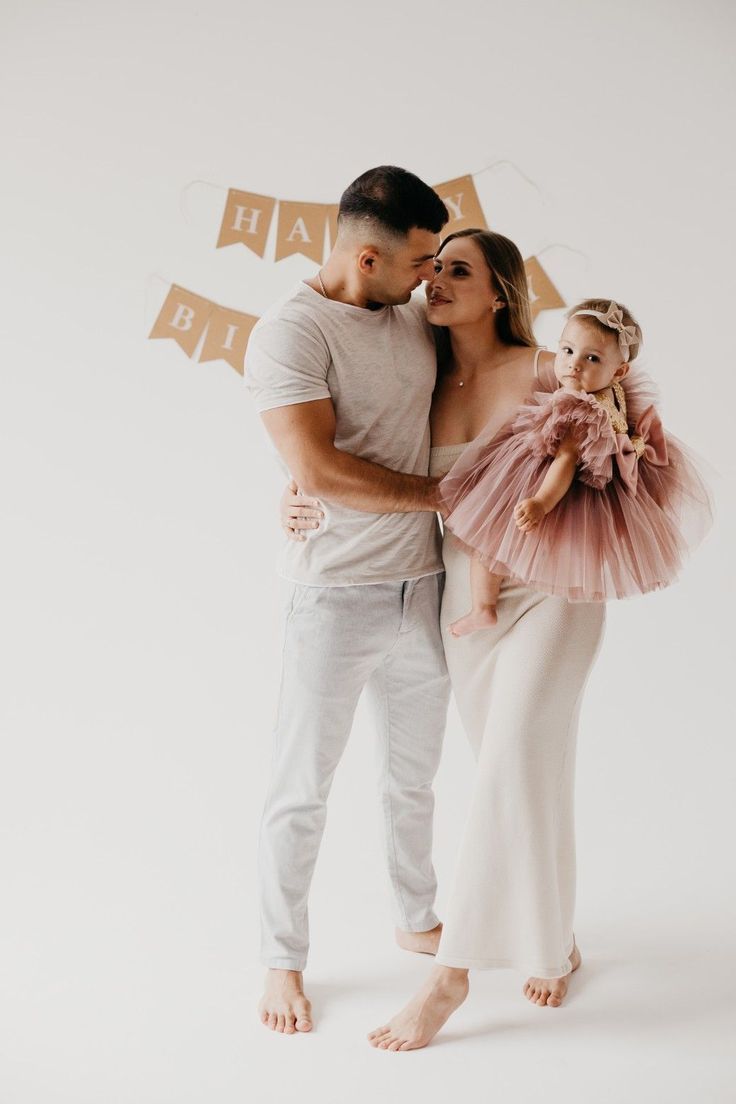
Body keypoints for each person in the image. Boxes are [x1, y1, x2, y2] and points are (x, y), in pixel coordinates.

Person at [284, 229, 624, 1049]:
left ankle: (451, 978)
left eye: (456, 270)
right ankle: (551, 936)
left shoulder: (551, 367)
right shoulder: (419, 370)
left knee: (510, 757)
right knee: (525, 769)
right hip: (465, 606)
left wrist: (576, 493)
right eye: (432, 267)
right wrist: (294, 492)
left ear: (499, 292)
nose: (434, 280)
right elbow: (345, 444)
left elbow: (622, 426)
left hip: (552, 593)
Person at [245, 166, 453, 1036]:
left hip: (426, 591)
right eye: (420, 261)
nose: (431, 277)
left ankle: (415, 916)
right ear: (367, 258)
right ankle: (281, 962)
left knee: (414, 781)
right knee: (302, 790)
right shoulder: (288, 334)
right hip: (334, 597)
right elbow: (321, 466)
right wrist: (437, 497)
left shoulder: (414, 315)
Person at [442, 299, 712, 636]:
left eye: (592, 358)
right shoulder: (615, 394)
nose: (573, 366)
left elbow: (566, 460)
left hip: (541, 481)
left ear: (618, 371)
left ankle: (483, 608)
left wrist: (541, 502)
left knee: (487, 540)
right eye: (567, 351)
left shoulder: (577, 407)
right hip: (584, 481)